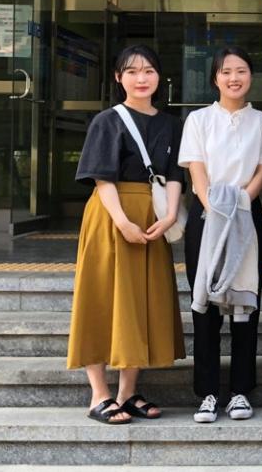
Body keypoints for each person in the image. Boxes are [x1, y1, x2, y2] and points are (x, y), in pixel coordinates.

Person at [67, 45, 186, 424]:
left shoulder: (171, 124)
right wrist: (122, 221)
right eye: (132, 71)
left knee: (140, 301)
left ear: (159, 77)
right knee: (101, 298)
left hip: (153, 218)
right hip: (111, 216)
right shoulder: (107, 121)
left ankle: (128, 392)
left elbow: (175, 174)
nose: (141, 78)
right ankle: (99, 394)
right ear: (119, 78)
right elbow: (102, 178)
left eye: (148, 71)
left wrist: (169, 217)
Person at [178, 47, 262, 423]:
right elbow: (196, 170)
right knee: (205, 305)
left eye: (241, 70)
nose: (234, 78)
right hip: (207, 216)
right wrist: (216, 208)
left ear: (251, 76)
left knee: (245, 306)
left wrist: (239, 205)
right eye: (226, 71)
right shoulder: (198, 120)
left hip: (246, 215)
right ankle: (207, 392)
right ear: (215, 78)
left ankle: (240, 392)